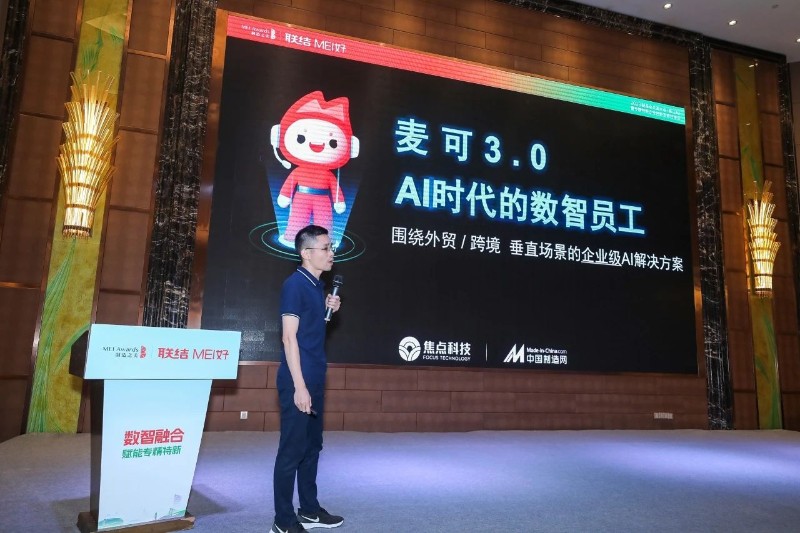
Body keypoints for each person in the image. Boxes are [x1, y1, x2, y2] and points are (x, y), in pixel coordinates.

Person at [271, 224, 344, 533]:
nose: (331, 253)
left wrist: (328, 310)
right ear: (306, 253)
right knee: (292, 450)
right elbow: (289, 338)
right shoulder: (295, 285)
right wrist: (299, 387)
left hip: (315, 376)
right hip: (297, 380)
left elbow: (309, 336)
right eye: (325, 248)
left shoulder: (316, 287)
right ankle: (283, 521)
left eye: (330, 247)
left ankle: (310, 510)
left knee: (312, 447)